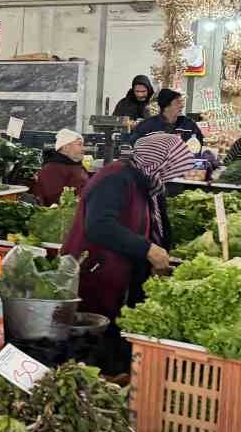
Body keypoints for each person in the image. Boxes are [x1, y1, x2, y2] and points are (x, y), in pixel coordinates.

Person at [60, 132, 197, 347]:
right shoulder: (115, 178)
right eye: (170, 165)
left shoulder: (148, 182)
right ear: (157, 160)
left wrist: (158, 253)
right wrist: (148, 250)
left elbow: (153, 224)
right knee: (93, 347)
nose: (172, 173)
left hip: (120, 276)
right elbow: (99, 225)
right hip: (97, 274)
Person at [30, 128, 89, 206]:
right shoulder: (52, 169)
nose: (83, 148)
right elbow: (53, 200)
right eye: (79, 144)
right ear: (65, 147)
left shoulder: (76, 165)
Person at [130, 88, 205, 146]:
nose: (182, 105)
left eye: (182, 102)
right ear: (166, 107)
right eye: (177, 102)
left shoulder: (189, 125)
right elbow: (134, 146)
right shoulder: (146, 126)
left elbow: (199, 146)